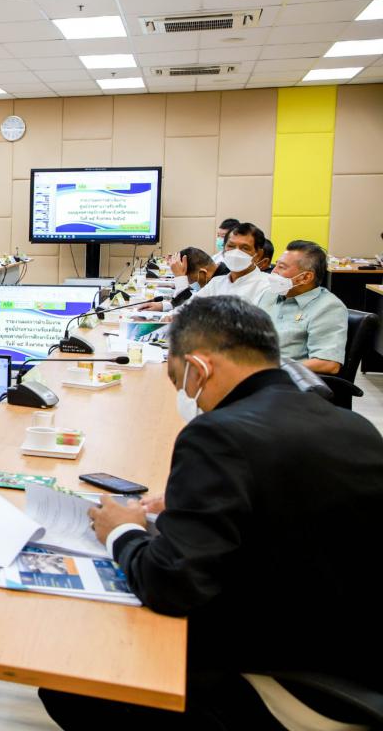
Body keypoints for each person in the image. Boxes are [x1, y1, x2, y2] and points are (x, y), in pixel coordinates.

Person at [42, 296, 383, 728]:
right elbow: (284, 501)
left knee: (69, 680)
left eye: (179, 382)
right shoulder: (352, 424)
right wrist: (195, 500)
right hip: (356, 658)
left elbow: (170, 583)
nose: (189, 399)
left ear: (199, 369)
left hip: (289, 686)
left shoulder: (218, 434)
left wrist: (120, 531)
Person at [256, 240, 347, 374]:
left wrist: (273, 367)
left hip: (285, 379)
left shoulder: (328, 307)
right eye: (276, 265)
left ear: (305, 277)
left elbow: (328, 364)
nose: (273, 272)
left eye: (282, 267)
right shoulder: (270, 295)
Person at [183, 222, 271, 309]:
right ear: (223, 249)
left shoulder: (267, 286)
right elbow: (186, 309)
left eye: (245, 248)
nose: (236, 253)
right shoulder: (216, 283)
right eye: (231, 246)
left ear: (258, 254)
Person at [143, 247, 229, 312]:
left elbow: (188, 312)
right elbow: (193, 301)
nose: (189, 285)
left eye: (188, 280)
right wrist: (166, 306)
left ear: (202, 273)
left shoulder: (222, 283)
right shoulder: (216, 276)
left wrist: (180, 279)